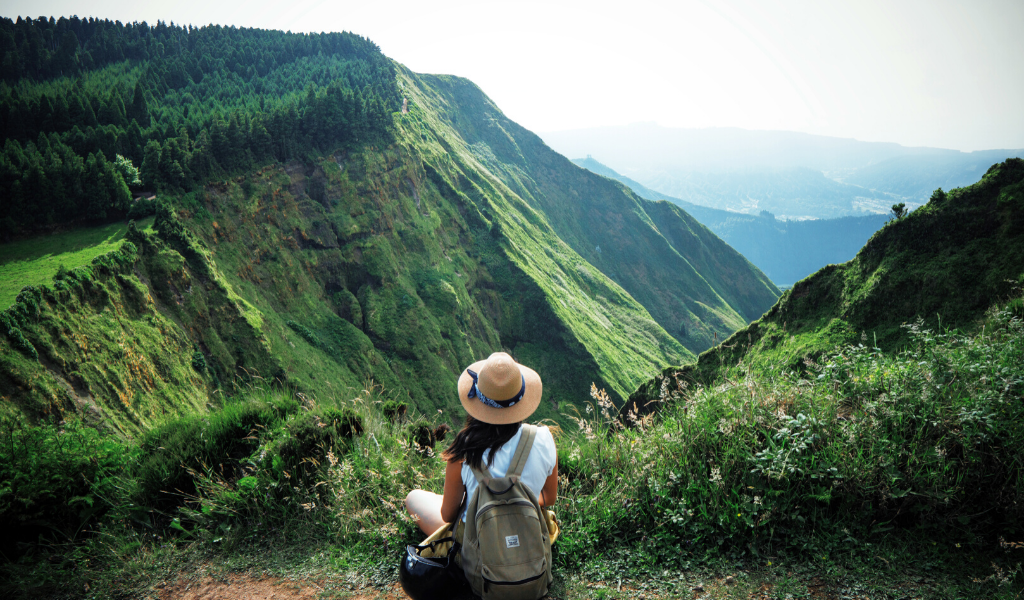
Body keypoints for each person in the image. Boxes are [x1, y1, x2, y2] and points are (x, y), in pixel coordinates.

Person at [404, 351, 558, 538]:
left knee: (414, 498)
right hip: (528, 543)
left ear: (477, 400)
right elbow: (549, 498)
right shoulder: (543, 438)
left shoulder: (465, 450)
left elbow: (447, 515)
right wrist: (515, 501)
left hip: (479, 552)